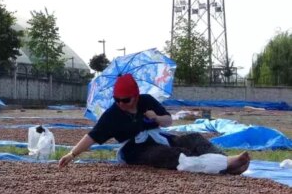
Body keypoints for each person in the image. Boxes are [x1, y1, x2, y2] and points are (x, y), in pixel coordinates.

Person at [58, 73, 250, 175]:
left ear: (135, 96)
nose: (120, 103)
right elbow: (92, 136)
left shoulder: (147, 100)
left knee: (194, 138)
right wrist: (71, 154)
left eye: (125, 100)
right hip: (136, 149)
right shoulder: (112, 114)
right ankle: (225, 164)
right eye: (117, 99)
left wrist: (156, 119)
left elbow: (168, 121)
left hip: (160, 137)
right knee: (173, 155)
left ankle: (225, 162)